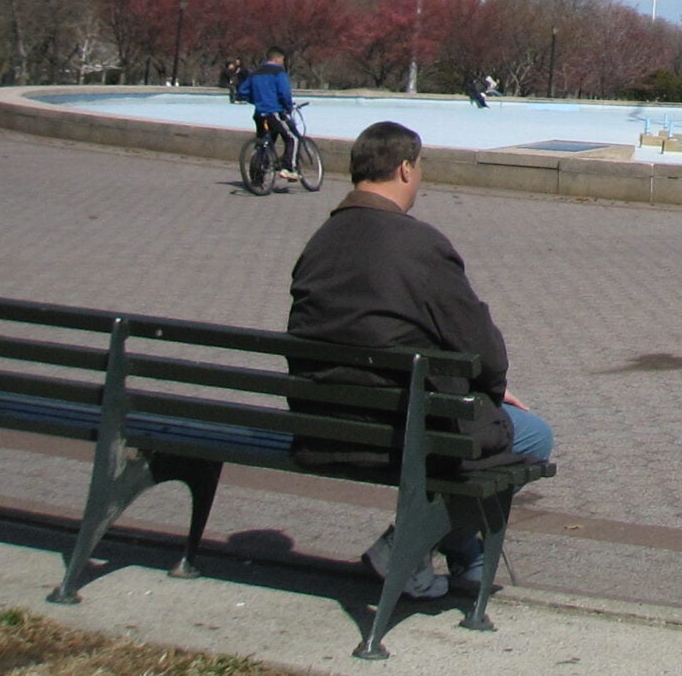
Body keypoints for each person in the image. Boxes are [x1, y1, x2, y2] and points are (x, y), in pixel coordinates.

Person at [288, 121, 554, 600]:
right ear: (406, 168)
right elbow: (483, 351)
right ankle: (402, 548)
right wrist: (490, 391)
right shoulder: (417, 245)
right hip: (397, 427)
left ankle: (467, 562)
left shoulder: (320, 242)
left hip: (322, 422)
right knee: (533, 434)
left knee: (462, 431)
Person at [236, 48, 300, 181]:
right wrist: (288, 107)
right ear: (277, 59)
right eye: (282, 61)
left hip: (259, 113)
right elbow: (284, 93)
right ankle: (288, 168)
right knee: (293, 137)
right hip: (273, 112)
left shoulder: (255, 73)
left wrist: (256, 101)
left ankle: (256, 177)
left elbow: (242, 92)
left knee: (263, 142)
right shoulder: (278, 72)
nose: (282, 63)